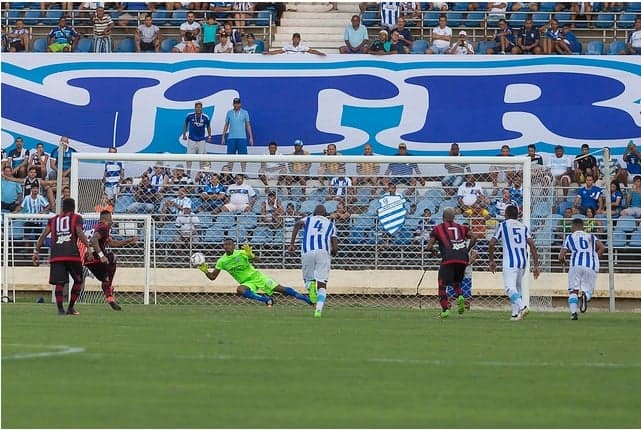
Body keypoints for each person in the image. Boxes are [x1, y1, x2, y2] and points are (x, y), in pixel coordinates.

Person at [199, 238, 312, 307]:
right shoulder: (221, 261)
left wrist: (251, 255)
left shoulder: (242, 253)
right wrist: (205, 271)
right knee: (240, 290)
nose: (227, 246)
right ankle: (266, 299)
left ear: (234, 246)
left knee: (281, 290)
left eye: (230, 244)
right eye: (225, 244)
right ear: (223, 246)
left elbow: (259, 261)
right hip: (247, 282)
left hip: (258, 277)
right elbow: (213, 277)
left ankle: (308, 301)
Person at [32, 198, 93, 315]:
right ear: (74, 207)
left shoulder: (53, 220)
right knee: (78, 280)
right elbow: (79, 232)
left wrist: (36, 252)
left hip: (56, 256)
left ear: (62, 208)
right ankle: (71, 307)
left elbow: (43, 235)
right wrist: (89, 248)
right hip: (72, 255)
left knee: (59, 283)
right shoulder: (76, 217)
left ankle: (60, 310)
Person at [488, 205, 541, 320]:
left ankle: (522, 307)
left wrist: (491, 260)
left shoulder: (503, 225)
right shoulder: (523, 227)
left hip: (510, 261)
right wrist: (536, 265)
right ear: (517, 215)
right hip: (523, 261)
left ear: (506, 214)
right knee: (517, 288)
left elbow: (492, 243)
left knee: (509, 288)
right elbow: (532, 245)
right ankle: (515, 315)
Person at [425, 207, 477, 318]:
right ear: (454, 217)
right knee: (456, 282)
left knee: (442, 284)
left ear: (442, 217)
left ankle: (445, 310)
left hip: (448, 258)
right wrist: (466, 250)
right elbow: (474, 237)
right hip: (462, 259)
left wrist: (436, 253)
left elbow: (429, 247)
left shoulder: (438, 228)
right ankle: (460, 296)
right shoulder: (461, 227)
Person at [289, 205, 338, 318]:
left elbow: (297, 225)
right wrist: (333, 253)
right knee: (322, 284)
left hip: (307, 251)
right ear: (325, 214)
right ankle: (318, 311)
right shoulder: (331, 225)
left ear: (314, 213)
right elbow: (335, 247)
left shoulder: (309, 219)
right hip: (323, 253)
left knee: (308, 279)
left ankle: (311, 285)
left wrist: (292, 244)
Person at [84, 210, 138, 311]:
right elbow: (93, 240)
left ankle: (110, 298)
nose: (112, 220)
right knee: (112, 257)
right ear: (107, 218)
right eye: (111, 217)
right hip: (96, 259)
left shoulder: (97, 227)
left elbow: (112, 243)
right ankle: (109, 287)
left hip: (88, 260)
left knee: (105, 280)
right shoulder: (104, 227)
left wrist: (128, 240)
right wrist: (101, 255)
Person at [559, 218, 606, 320]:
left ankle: (573, 313)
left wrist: (564, 262)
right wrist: (595, 257)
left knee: (573, 290)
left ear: (574, 226)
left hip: (575, 265)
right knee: (588, 290)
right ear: (583, 226)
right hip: (590, 265)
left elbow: (561, 256)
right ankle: (586, 296)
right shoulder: (591, 236)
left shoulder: (569, 237)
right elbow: (602, 247)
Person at [220, 97, 254, 173]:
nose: (236, 105)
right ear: (233, 104)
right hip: (231, 138)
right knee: (230, 157)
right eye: (235, 103)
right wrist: (223, 137)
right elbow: (226, 125)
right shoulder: (229, 113)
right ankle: (229, 173)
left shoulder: (245, 112)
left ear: (240, 104)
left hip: (242, 138)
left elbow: (248, 125)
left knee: (243, 157)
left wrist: (251, 137)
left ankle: (243, 173)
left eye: (237, 103)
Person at [182, 101, 211, 174]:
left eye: (199, 107)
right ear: (195, 108)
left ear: (202, 108)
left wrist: (210, 135)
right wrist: (184, 134)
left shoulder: (205, 117)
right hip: (192, 139)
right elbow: (185, 124)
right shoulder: (189, 115)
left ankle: (201, 172)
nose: (198, 108)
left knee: (202, 157)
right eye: (197, 107)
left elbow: (208, 126)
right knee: (189, 157)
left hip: (201, 140)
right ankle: (188, 172)